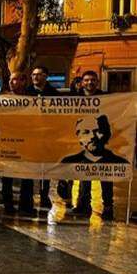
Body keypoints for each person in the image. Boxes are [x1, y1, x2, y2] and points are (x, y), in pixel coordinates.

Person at [68, 70, 117, 220]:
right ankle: (83, 205)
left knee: (105, 177)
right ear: (82, 82)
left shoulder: (106, 98)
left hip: (102, 145)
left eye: (93, 80)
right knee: (84, 175)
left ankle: (108, 207)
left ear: (97, 82)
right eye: (87, 80)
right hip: (82, 144)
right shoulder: (75, 99)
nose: (90, 82)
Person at [25, 66, 60, 208]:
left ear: (46, 76)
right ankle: (28, 196)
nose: (35, 77)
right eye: (33, 74)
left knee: (46, 168)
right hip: (30, 136)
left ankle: (44, 195)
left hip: (47, 136)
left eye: (39, 74)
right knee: (29, 167)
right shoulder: (26, 93)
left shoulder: (54, 94)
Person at [1, 72, 35, 215]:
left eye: (14, 79)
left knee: (27, 175)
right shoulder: (4, 98)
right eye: (10, 79)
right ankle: (8, 204)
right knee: (7, 176)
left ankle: (25, 205)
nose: (11, 82)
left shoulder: (32, 99)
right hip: (8, 141)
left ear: (23, 81)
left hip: (27, 142)